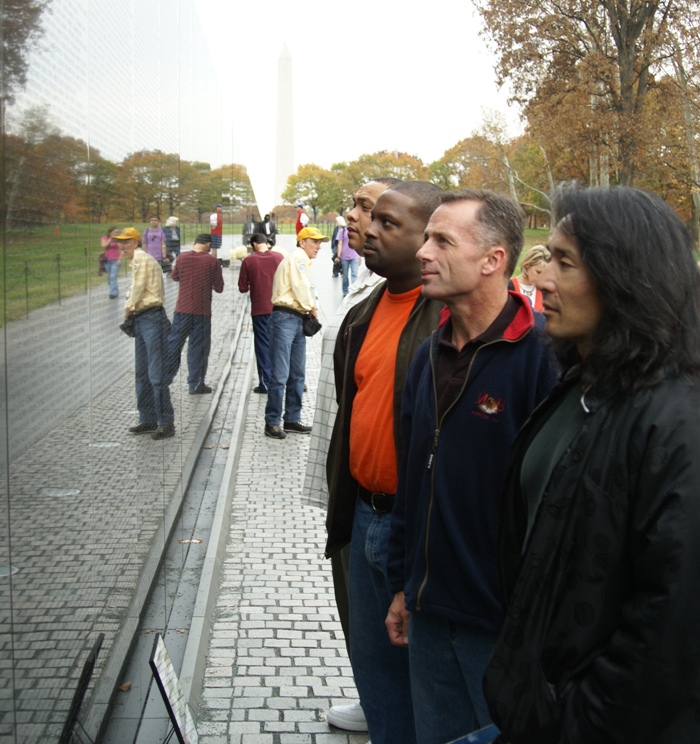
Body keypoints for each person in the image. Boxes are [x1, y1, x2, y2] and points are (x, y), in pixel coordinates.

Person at [483, 185, 700, 744]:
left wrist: (574, 719)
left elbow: (671, 626)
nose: (540, 280)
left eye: (564, 262)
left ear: (626, 278)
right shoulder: (582, 385)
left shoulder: (676, 421)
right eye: (546, 257)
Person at [384, 190, 558, 744]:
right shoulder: (426, 355)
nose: (423, 253)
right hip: (429, 617)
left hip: (503, 630)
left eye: (442, 241)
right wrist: (403, 586)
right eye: (426, 237)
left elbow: (555, 509)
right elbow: (413, 482)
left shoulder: (544, 357)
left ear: (493, 259)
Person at [325, 181, 445, 744]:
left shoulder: (451, 318)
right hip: (364, 519)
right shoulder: (361, 314)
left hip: (416, 532)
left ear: (429, 240)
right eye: (368, 219)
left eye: (386, 223)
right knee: (377, 681)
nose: (366, 229)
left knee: (429, 687)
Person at [303, 177, 400, 735]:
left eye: (372, 210)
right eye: (360, 208)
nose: (355, 217)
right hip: (350, 481)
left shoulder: (402, 292)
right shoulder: (367, 282)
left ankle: (383, 700)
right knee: (358, 609)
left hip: (381, 496)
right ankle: (375, 694)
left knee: (379, 613)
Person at [263, 226, 325, 440]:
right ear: (302, 243)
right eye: (314, 242)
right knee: (282, 375)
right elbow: (300, 287)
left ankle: (291, 419)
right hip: (286, 318)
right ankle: (273, 421)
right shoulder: (298, 258)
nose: (318, 246)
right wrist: (312, 307)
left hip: (294, 318)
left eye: (320, 243)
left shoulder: (300, 259)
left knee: (296, 374)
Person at [116, 227, 175, 440]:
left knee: (155, 374)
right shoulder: (139, 260)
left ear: (135, 242)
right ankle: (148, 419)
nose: (121, 247)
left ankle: (165, 422)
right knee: (142, 372)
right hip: (144, 318)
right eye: (119, 243)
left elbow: (139, 287)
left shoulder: (141, 258)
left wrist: (128, 309)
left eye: (126, 242)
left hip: (151, 318)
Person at [166, 233, 224, 395]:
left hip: (181, 309)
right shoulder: (212, 261)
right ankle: (195, 384)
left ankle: (164, 380)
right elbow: (219, 287)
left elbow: (175, 276)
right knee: (198, 348)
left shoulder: (182, 258)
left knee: (174, 345)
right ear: (207, 244)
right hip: (202, 311)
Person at [238, 233, 284, 394]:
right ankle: (281, 379)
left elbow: (242, 287)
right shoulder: (279, 258)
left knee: (263, 345)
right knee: (279, 345)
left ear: (253, 244)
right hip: (279, 308)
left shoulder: (248, 261)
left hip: (259, 309)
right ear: (266, 243)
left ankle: (265, 382)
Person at [509, 243, 550, 310]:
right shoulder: (508, 287)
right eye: (538, 272)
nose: (540, 277)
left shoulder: (544, 291)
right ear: (527, 265)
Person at [335, 216, 360, 296]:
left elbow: (359, 243)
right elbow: (340, 244)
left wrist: (360, 256)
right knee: (345, 275)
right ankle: (345, 291)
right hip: (344, 256)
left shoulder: (356, 231)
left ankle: (353, 290)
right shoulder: (342, 231)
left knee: (354, 274)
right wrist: (338, 256)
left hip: (355, 255)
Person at [101, 226, 121, 299]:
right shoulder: (105, 238)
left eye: (117, 232)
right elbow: (104, 246)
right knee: (110, 277)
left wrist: (120, 258)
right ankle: (114, 290)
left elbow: (121, 249)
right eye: (115, 232)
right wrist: (110, 239)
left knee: (113, 276)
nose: (116, 233)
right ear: (110, 233)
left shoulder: (118, 239)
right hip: (107, 259)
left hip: (116, 259)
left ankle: (113, 293)